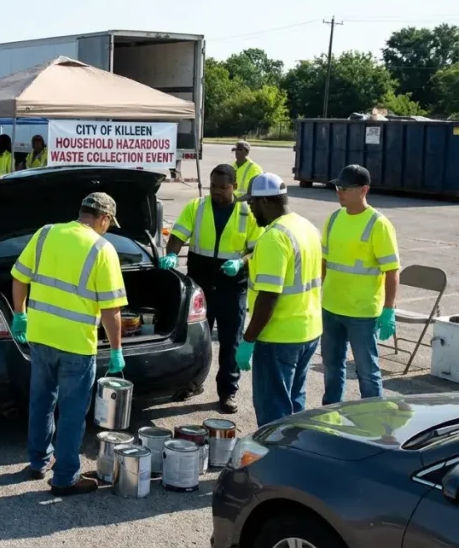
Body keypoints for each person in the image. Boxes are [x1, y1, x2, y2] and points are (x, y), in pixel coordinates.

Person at [10, 192, 128, 497]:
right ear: (103, 219)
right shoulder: (103, 249)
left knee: (41, 402)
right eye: (109, 223)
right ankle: (64, 478)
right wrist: (116, 350)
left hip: (41, 336)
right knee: (73, 412)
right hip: (76, 345)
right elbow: (111, 311)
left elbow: (19, 277)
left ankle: (37, 462)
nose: (108, 229)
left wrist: (19, 315)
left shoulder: (45, 233)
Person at [160, 164, 262, 413]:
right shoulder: (197, 207)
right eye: (213, 186)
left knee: (230, 343)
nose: (216, 191)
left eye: (223, 187)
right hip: (201, 285)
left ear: (234, 187)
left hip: (232, 286)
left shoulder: (247, 213)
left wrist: (241, 262)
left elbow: (256, 248)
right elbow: (178, 236)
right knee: (194, 341)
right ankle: (189, 383)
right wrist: (171, 254)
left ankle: (228, 392)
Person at [234, 173, 323, 427]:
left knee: (273, 411)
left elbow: (269, 295)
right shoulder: (306, 227)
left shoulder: (274, 237)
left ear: (265, 202)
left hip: (279, 337)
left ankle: (274, 461)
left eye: (252, 203)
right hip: (309, 331)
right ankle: (295, 455)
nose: (250, 210)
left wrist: (248, 339)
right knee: (295, 405)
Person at [320, 165, 400, 404]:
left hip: (362, 312)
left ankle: (373, 420)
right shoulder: (334, 219)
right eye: (337, 187)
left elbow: (392, 269)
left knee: (367, 372)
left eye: (345, 188)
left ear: (364, 190)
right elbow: (324, 262)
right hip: (332, 307)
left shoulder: (378, 224)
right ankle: (331, 414)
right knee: (332, 367)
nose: (339, 192)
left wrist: (389, 308)